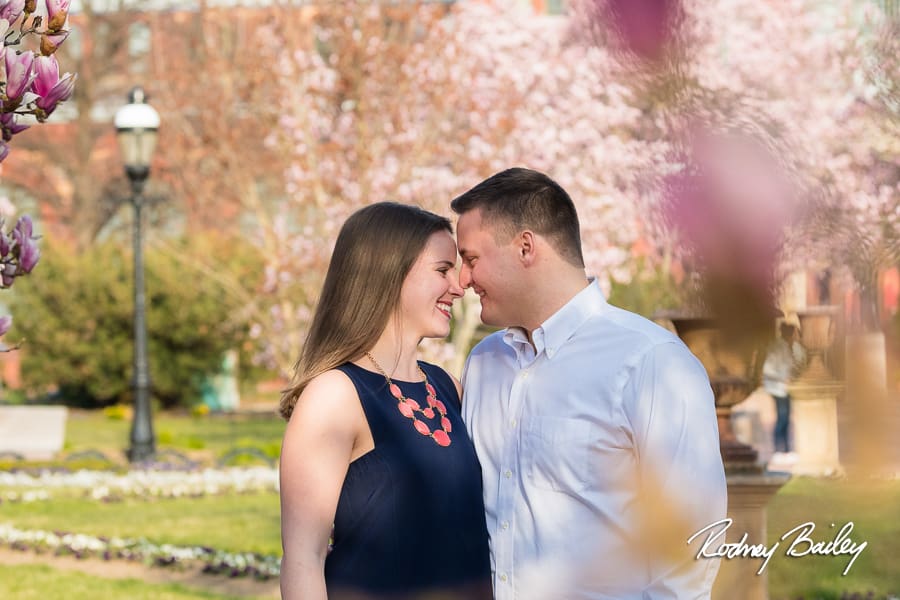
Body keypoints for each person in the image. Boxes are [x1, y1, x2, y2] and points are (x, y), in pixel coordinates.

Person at [451, 168, 728, 599]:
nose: (462, 280)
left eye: (470, 259)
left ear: (525, 247)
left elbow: (691, 543)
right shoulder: (483, 364)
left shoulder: (651, 363)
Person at [278, 202, 493, 600]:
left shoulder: (448, 387)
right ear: (389, 273)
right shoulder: (334, 395)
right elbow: (302, 559)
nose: (459, 286)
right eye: (442, 270)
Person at [762, 319, 807, 458]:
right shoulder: (777, 347)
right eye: (794, 333)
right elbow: (767, 370)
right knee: (782, 417)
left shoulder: (793, 347)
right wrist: (783, 378)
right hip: (777, 388)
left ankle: (786, 450)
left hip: (786, 388)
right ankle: (778, 450)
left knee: (786, 418)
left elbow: (797, 364)